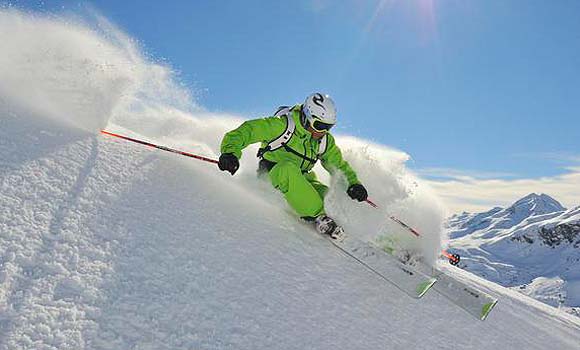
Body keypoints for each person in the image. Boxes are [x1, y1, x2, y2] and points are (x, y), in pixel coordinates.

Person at [218, 93, 368, 239]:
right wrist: (230, 153)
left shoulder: (324, 141)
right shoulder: (282, 125)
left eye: (328, 127)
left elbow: (338, 165)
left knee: (329, 197)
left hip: (303, 180)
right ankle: (319, 217)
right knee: (288, 169)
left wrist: (353, 183)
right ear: (307, 116)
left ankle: (354, 227)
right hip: (274, 176)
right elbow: (248, 131)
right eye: (319, 125)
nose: (323, 131)